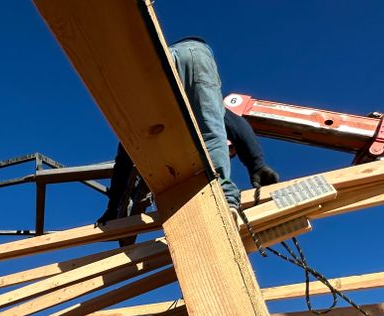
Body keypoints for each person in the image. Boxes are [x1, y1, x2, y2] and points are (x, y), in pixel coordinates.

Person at [97, 37, 278, 226]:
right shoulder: (188, 116)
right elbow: (233, 122)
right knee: (210, 128)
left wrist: (112, 207)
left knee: (145, 137)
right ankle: (222, 195)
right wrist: (256, 165)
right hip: (196, 54)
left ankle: (221, 198)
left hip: (162, 59)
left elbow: (126, 155)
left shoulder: (156, 127)